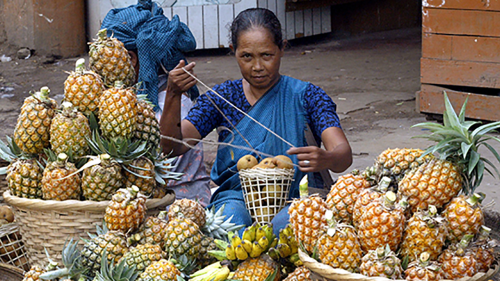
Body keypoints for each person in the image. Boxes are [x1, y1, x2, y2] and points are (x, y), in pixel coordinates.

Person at [160, 7, 352, 233]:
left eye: (267, 55)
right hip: (237, 196)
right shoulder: (223, 98)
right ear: (233, 51)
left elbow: (343, 155)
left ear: (282, 49)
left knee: (284, 227)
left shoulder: (307, 96)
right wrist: (173, 95)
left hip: (298, 197)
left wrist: (327, 158)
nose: (258, 67)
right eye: (247, 57)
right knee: (228, 223)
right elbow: (173, 147)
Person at [100, 0, 212, 206]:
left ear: (131, 58)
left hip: (178, 206)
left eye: (104, 59)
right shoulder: (128, 98)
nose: (99, 68)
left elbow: (158, 167)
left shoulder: (171, 102)